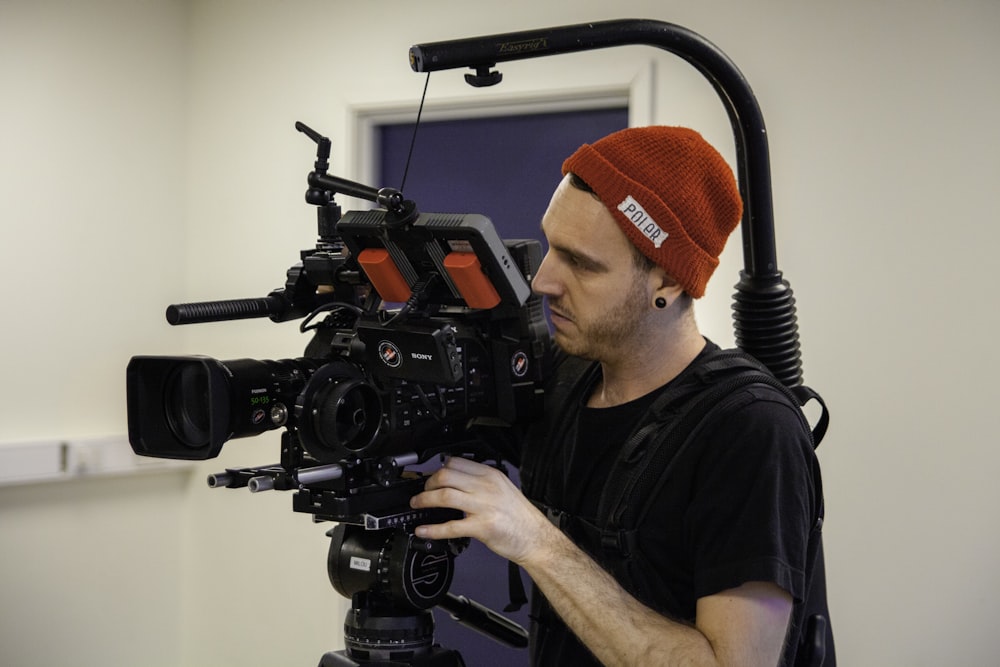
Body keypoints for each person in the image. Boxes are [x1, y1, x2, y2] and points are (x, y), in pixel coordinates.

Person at [410, 126, 834, 666]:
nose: (544, 280)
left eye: (581, 263)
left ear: (669, 282)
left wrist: (538, 542)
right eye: (550, 247)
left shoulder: (749, 431)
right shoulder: (563, 379)